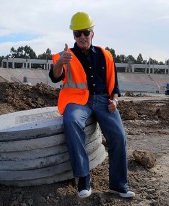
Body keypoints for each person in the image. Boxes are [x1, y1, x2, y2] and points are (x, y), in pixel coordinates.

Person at [49, 11, 135, 199]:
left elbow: (114, 83)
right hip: (78, 101)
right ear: (73, 35)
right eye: (77, 33)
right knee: (71, 121)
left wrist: (115, 100)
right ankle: (83, 179)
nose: (82, 37)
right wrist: (60, 63)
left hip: (104, 100)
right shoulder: (66, 56)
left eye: (85, 32)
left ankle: (118, 185)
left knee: (119, 136)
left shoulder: (105, 55)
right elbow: (55, 77)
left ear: (92, 33)